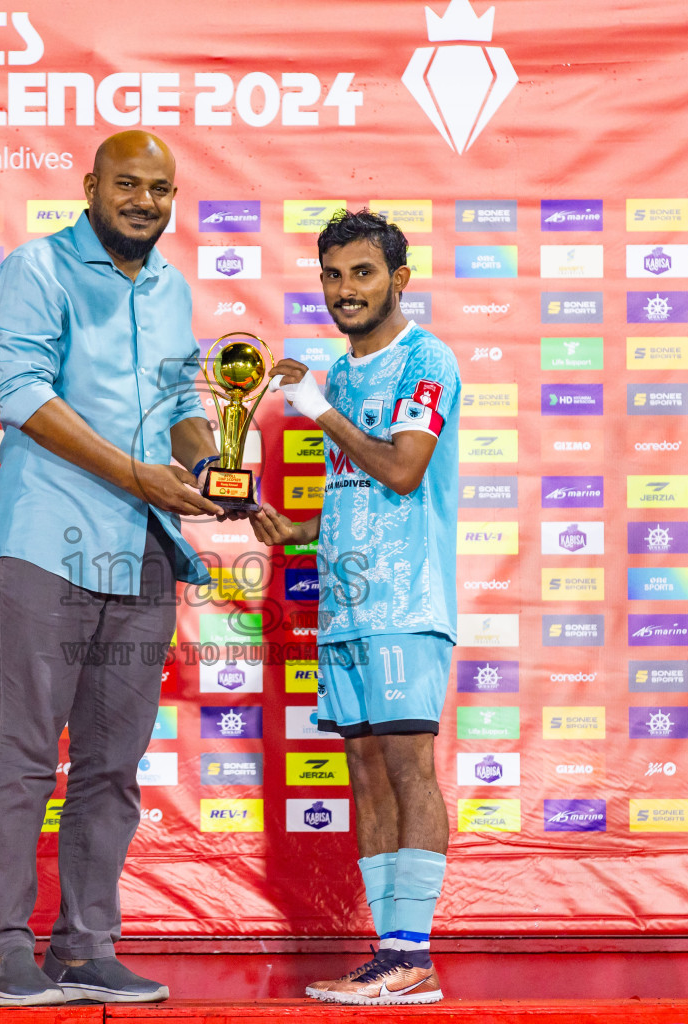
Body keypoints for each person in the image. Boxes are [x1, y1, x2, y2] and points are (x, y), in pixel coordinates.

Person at [0, 131, 224, 1007]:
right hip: (48, 543)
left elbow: (182, 407)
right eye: (128, 183)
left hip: (146, 551)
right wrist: (133, 472)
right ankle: (3, 954)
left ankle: (84, 945)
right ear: (91, 187)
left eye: (160, 188)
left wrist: (217, 476)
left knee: (113, 767)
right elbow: (25, 395)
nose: (145, 201)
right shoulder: (34, 268)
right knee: (26, 757)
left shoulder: (172, 286)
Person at [252, 209, 461, 1006]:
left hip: (409, 603)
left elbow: (405, 470)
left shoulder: (427, 358)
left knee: (408, 769)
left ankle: (416, 957)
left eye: (363, 273)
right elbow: (360, 490)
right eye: (333, 275)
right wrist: (299, 528)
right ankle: (389, 956)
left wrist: (317, 410)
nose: (345, 290)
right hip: (344, 611)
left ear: (398, 280)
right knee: (366, 775)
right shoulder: (337, 376)